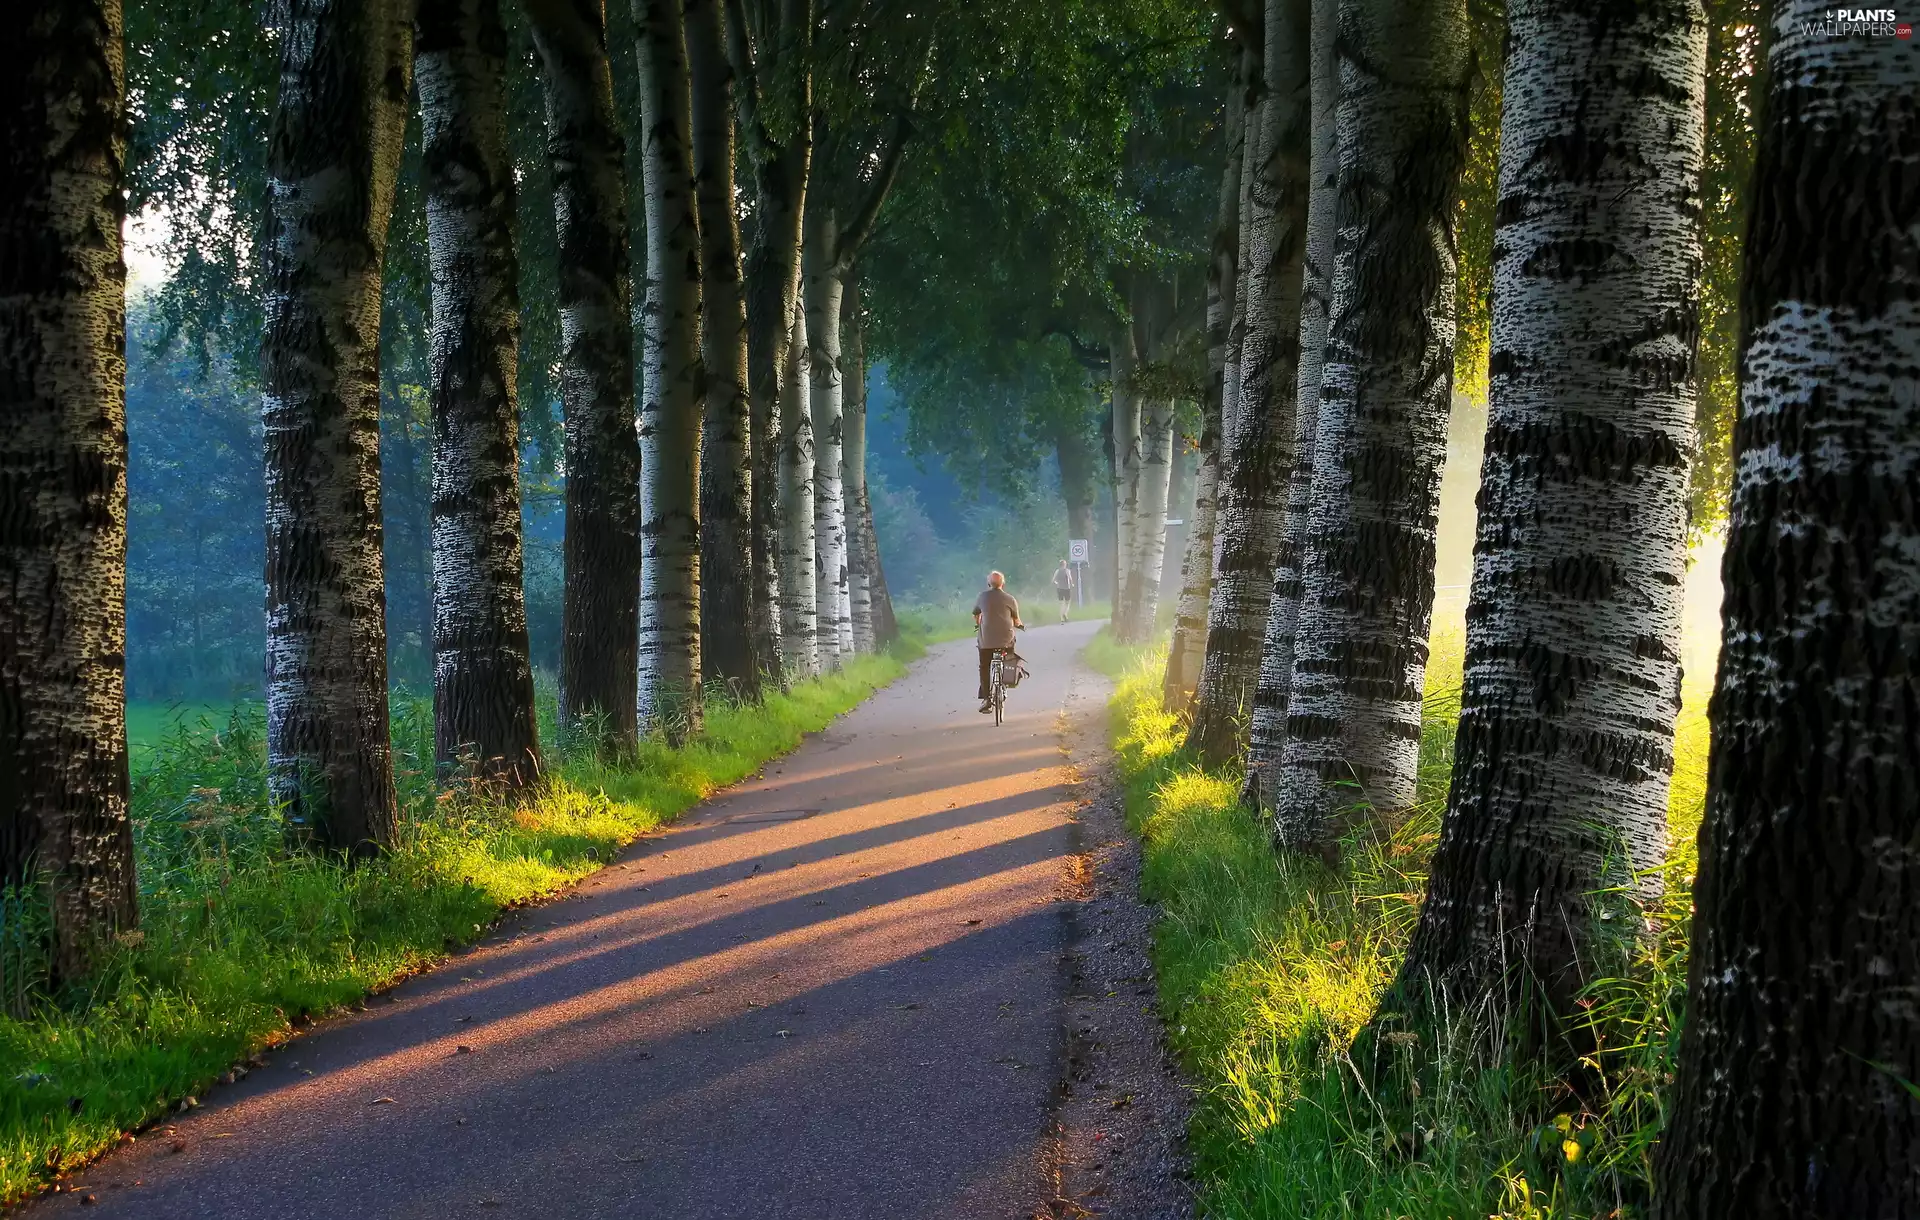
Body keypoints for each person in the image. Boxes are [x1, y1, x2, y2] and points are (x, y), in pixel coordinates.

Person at [972, 571, 1024, 713]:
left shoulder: (982, 597)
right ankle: (1005, 685)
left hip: (986, 642)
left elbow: (976, 614)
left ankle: (986, 698)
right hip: (1005, 642)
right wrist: (1019, 625)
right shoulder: (1010, 599)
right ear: (1003, 584)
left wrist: (978, 624)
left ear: (989, 584)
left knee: (984, 666)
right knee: (1008, 660)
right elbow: (1016, 620)